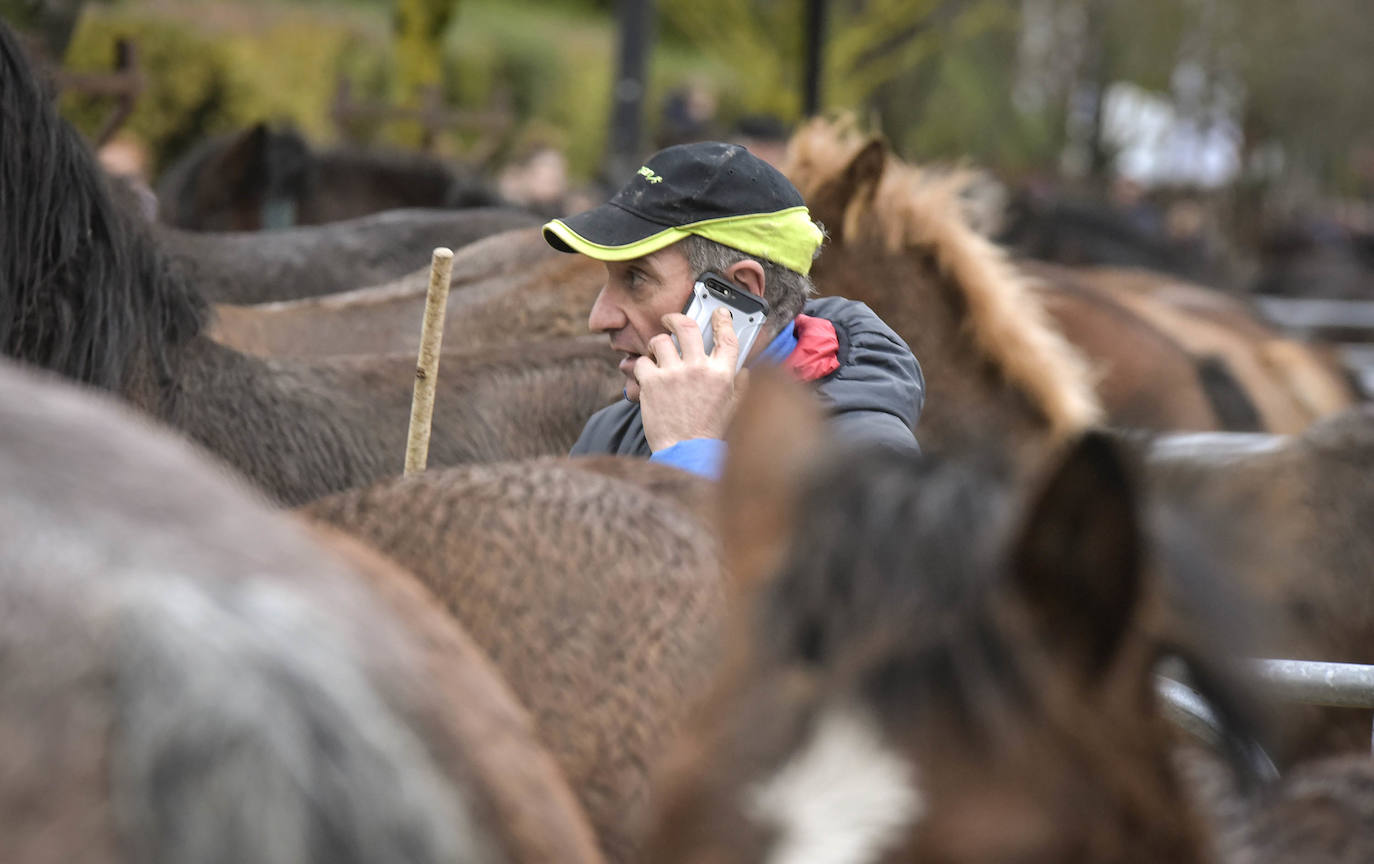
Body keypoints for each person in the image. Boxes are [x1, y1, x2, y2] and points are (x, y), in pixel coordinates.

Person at [542, 141, 924, 478]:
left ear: (738, 291)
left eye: (637, 279)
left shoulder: (871, 460)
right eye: (608, 278)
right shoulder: (613, 429)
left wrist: (689, 454)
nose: (599, 318)